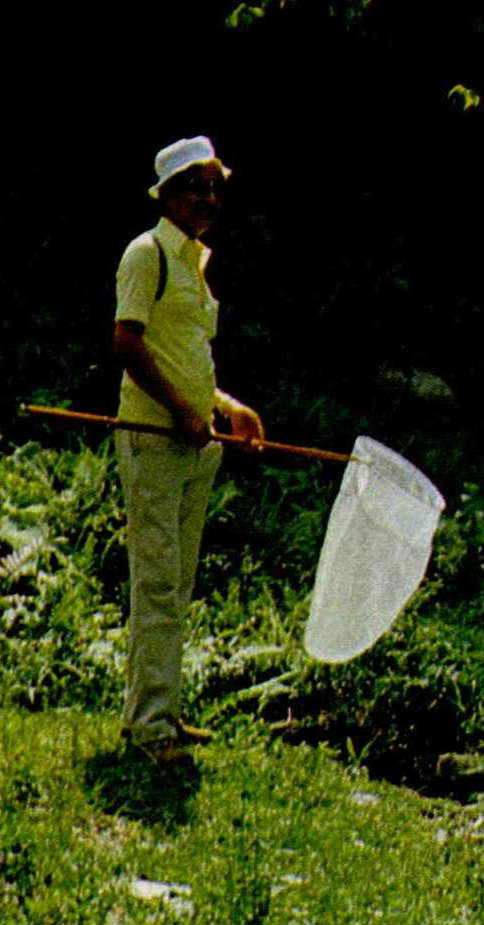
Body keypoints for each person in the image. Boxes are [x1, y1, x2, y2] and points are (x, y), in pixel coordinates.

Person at [112, 136, 264, 764]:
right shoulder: (146, 255)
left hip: (196, 446)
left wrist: (226, 408)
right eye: (194, 188)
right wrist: (180, 412)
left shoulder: (195, 263)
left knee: (177, 585)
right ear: (168, 196)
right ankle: (151, 729)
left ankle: (160, 712)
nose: (207, 198)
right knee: (156, 585)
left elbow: (187, 358)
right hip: (153, 440)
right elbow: (127, 344)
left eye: (213, 188)